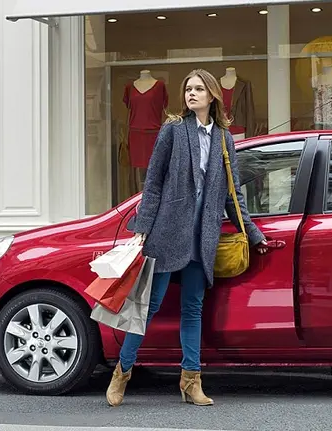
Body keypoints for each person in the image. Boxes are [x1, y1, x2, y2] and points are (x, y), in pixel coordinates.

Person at [106, 69, 272, 407]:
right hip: (167, 232)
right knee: (148, 308)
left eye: (198, 89)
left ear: (212, 96)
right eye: (188, 89)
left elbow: (232, 194)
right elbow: (152, 184)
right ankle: (121, 373)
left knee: (193, 308)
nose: (191, 94)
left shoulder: (224, 139)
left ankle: (191, 381)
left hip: (203, 236)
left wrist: (252, 233)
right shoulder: (172, 131)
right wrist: (142, 226)